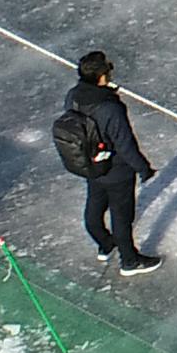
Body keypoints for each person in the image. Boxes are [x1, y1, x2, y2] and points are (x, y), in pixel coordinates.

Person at [53, 50, 161, 268]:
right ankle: (130, 262)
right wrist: (144, 168)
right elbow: (124, 144)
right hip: (117, 171)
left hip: (90, 165)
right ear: (102, 76)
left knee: (94, 205)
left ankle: (104, 243)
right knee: (121, 217)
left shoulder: (73, 96)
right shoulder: (110, 107)